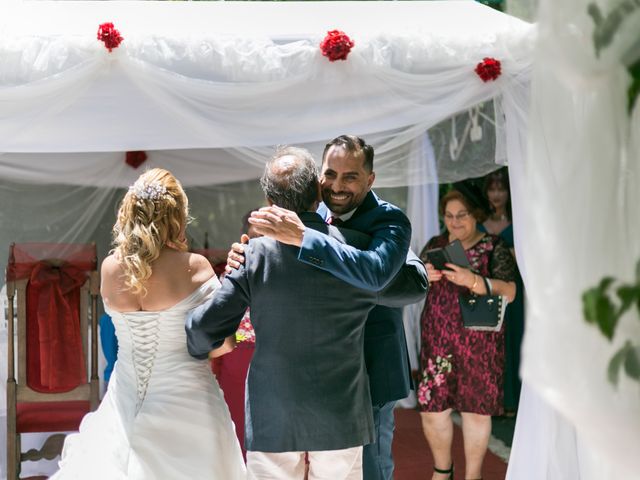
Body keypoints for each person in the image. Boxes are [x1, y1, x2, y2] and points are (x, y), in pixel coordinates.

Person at [187, 147, 427, 480]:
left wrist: (202, 337)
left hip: (274, 413)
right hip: (341, 413)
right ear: (318, 192)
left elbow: (202, 330)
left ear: (270, 202)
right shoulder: (359, 249)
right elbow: (403, 287)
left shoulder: (254, 256)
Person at [51, 168, 246, 479]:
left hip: (123, 401)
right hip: (189, 405)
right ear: (177, 217)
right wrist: (241, 316)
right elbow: (221, 346)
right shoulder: (194, 268)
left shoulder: (111, 269)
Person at [417, 187, 516, 480]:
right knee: (433, 409)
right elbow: (414, 281)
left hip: (479, 343)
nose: (454, 222)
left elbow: (510, 291)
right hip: (438, 340)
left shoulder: (493, 246)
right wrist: (424, 273)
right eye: (449, 215)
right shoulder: (436, 243)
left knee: (476, 411)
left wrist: (473, 280)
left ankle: (473, 476)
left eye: (461, 215)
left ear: (476, 215)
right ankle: (442, 471)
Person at [481, 168, 525, 415]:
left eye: (501, 189)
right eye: (492, 189)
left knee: (514, 338)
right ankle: (490, 398)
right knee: (488, 341)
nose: (496, 194)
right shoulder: (477, 222)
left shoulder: (519, 221)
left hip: (513, 290)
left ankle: (513, 400)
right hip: (486, 289)